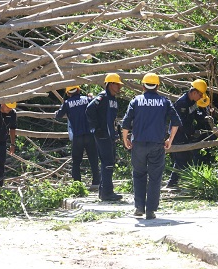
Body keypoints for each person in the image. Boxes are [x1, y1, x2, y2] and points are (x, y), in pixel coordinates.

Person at [121, 73, 181, 219]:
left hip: (139, 145)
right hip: (157, 145)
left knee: (139, 174)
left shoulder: (136, 101)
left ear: (143, 86)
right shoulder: (164, 102)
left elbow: (126, 123)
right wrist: (170, 140)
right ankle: (151, 211)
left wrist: (125, 139)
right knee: (155, 177)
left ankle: (139, 207)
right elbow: (176, 122)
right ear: (158, 87)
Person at [86, 73, 123, 201]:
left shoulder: (113, 99)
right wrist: (96, 128)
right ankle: (107, 193)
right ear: (111, 84)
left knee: (109, 162)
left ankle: (104, 192)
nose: (119, 87)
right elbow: (89, 110)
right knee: (107, 163)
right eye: (117, 84)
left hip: (110, 135)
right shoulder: (102, 98)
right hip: (103, 135)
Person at [55, 86, 100, 189]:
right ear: (78, 90)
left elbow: (58, 115)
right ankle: (96, 182)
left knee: (76, 161)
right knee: (93, 159)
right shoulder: (87, 99)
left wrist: (58, 112)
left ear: (68, 93)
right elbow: (97, 105)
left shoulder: (67, 103)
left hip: (77, 136)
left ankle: (77, 184)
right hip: (90, 135)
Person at [166, 79, 208, 188]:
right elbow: (181, 124)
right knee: (181, 158)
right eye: (200, 94)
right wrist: (193, 132)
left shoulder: (192, 102)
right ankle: (172, 184)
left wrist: (204, 118)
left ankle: (175, 183)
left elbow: (195, 115)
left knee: (185, 158)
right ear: (194, 92)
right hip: (177, 134)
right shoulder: (182, 103)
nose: (200, 97)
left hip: (186, 133)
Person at [192, 95, 217, 165]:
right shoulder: (195, 108)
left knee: (212, 147)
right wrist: (205, 118)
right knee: (198, 152)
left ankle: (211, 163)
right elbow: (198, 117)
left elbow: (212, 117)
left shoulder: (207, 106)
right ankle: (198, 165)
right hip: (200, 131)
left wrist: (212, 113)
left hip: (210, 130)